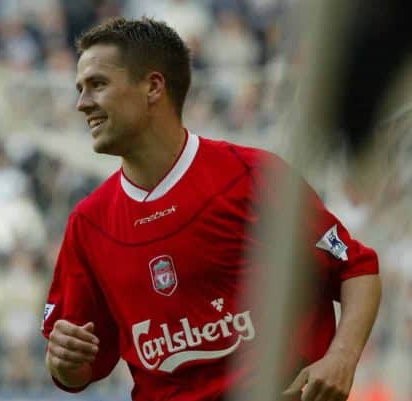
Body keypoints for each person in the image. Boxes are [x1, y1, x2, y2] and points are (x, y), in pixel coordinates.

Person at [41, 17, 381, 401]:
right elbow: (79, 370)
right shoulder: (89, 222)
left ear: (153, 87)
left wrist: (342, 357)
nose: (81, 103)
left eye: (97, 84)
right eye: (80, 88)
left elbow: (357, 268)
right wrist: (63, 361)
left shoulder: (253, 177)